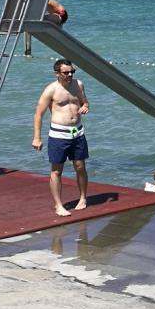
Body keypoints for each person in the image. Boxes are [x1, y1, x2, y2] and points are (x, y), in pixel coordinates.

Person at [32, 58, 90, 217]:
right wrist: (37, 138)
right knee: (57, 171)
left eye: (72, 71)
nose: (70, 74)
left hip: (77, 132)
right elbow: (38, 114)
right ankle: (58, 205)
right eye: (66, 72)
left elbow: (85, 102)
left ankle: (83, 198)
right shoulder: (51, 90)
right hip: (59, 134)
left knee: (80, 167)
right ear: (57, 73)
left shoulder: (78, 84)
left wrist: (85, 106)